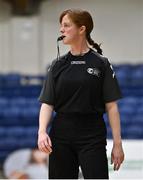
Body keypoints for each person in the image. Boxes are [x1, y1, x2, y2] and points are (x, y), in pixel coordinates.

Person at [38, 8, 124, 179]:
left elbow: (112, 106)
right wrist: (41, 131)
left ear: (82, 29)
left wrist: (117, 144)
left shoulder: (101, 63)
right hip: (61, 135)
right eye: (61, 26)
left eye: (66, 25)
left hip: (92, 135)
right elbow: (47, 103)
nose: (61, 30)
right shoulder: (56, 65)